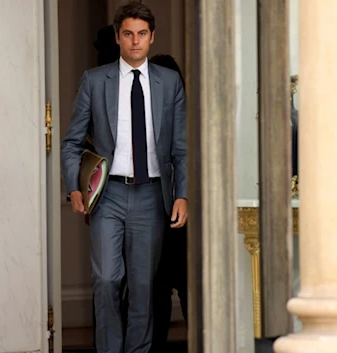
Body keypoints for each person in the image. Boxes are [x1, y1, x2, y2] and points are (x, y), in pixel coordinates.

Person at [61, 2, 188, 353]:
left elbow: (181, 148)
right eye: (128, 34)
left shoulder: (169, 82)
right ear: (118, 37)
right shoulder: (94, 80)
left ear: (152, 38)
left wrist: (183, 194)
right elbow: (71, 142)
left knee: (144, 287)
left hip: (152, 195)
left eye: (142, 34)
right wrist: (73, 187)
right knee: (106, 280)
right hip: (109, 196)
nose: (135, 42)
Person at [148, 54, 189, 353]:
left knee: (185, 294)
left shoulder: (189, 121)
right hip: (156, 221)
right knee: (156, 298)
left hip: (181, 224)